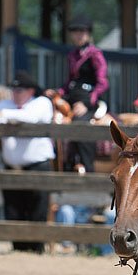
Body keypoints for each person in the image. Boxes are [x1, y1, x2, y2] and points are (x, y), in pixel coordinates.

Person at [0, 70, 55, 254]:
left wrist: (2, 115)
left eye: (21, 90)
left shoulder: (41, 103)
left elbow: (30, 118)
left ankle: (36, 249)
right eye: (15, 90)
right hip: (13, 166)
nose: (16, 94)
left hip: (37, 165)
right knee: (13, 209)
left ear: (31, 91)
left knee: (37, 210)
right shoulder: (8, 105)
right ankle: (18, 248)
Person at [47, 16, 109, 173]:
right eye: (75, 31)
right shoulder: (72, 55)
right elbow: (70, 82)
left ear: (88, 34)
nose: (78, 35)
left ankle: (88, 168)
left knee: (80, 125)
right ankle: (57, 165)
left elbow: (103, 83)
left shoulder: (95, 54)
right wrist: (57, 93)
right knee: (49, 116)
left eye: (82, 31)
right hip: (71, 98)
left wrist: (87, 103)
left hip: (88, 100)